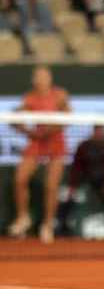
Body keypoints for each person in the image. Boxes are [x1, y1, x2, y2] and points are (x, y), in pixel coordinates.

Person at [7, 66, 70, 244]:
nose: (41, 79)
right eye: (38, 76)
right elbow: (14, 118)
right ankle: (23, 218)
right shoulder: (29, 98)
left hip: (56, 142)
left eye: (44, 76)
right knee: (20, 179)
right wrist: (28, 132)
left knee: (51, 186)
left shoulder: (60, 95)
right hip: (36, 142)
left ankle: (48, 225)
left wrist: (49, 131)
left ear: (50, 78)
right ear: (34, 80)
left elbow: (68, 117)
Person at [56, 125, 104, 236]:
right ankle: (63, 225)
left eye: (102, 131)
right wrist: (73, 185)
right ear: (94, 131)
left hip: (100, 179)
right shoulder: (84, 145)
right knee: (70, 199)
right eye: (98, 130)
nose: (101, 133)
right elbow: (77, 166)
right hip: (82, 178)